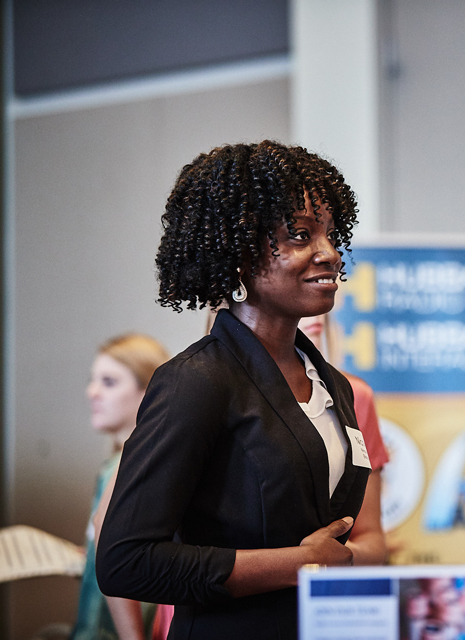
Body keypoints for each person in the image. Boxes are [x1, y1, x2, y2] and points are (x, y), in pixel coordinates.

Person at [97, 141, 376, 640]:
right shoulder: (197, 380)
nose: (330, 254)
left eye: (331, 235)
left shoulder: (334, 386)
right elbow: (126, 562)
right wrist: (298, 564)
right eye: (300, 234)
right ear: (240, 255)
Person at [73, 334, 169, 640]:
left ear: (149, 391)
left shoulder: (131, 469)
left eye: (109, 382)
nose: (92, 392)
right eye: (93, 380)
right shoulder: (113, 466)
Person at [298, 312, 389, 564]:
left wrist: (337, 555)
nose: (317, 313)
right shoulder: (209, 384)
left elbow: (372, 542)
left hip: (327, 584)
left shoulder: (353, 395)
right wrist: (293, 559)